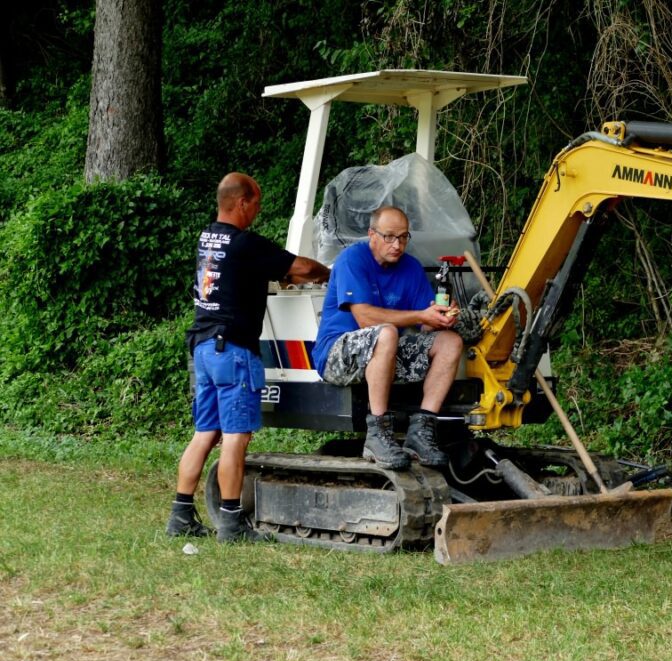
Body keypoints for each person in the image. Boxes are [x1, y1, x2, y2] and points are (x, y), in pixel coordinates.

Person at [166, 172, 330, 542]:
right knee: (236, 437)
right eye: (256, 203)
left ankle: (180, 515)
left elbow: (240, 278)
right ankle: (231, 523)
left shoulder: (208, 238)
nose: (258, 210)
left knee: (205, 432)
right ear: (241, 202)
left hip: (204, 347)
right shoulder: (245, 243)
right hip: (233, 351)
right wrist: (329, 275)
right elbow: (303, 268)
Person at [312, 206, 463, 470]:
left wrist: (441, 317)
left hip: (386, 351)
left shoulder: (411, 267)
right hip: (338, 354)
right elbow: (365, 318)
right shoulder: (352, 259)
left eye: (403, 237)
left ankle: (422, 429)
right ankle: (378, 433)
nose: (397, 245)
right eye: (389, 237)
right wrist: (421, 315)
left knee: (450, 342)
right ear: (372, 234)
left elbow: (425, 324)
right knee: (387, 332)